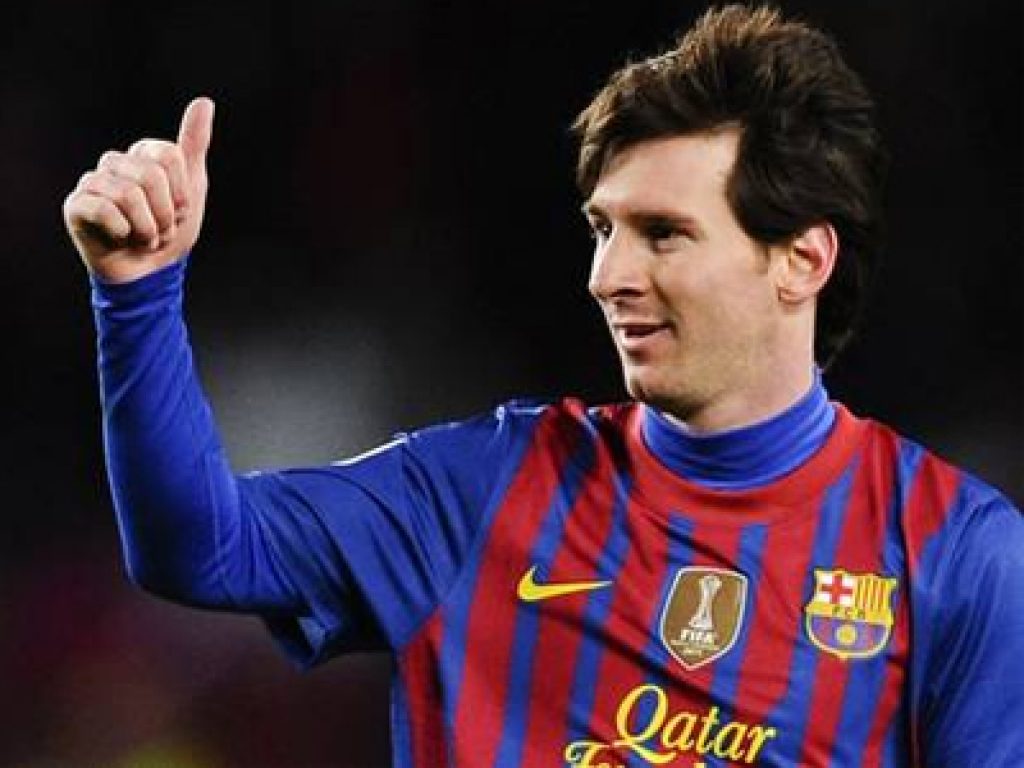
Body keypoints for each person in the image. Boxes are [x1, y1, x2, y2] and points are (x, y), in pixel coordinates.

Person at [63, 5, 1022, 767]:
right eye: (604, 229)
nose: (608, 276)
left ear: (801, 260)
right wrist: (137, 295)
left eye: (664, 234)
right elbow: (198, 549)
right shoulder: (484, 489)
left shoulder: (956, 552)